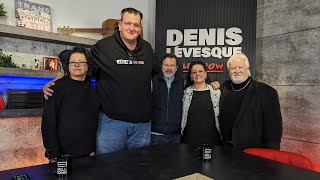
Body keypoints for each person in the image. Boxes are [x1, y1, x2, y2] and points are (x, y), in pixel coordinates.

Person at [41, 47, 100, 161]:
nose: (76, 65)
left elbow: (92, 120)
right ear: (67, 65)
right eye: (73, 62)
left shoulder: (91, 87)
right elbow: (48, 122)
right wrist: (52, 153)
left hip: (88, 152)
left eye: (81, 62)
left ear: (88, 66)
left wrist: (93, 148)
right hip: (63, 153)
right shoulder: (55, 88)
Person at [219, 53, 282, 150]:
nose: (237, 71)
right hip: (224, 149)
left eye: (240, 67)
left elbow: (273, 129)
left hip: (252, 152)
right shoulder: (224, 88)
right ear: (228, 71)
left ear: (247, 69)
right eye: (233, 68)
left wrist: (271, 156)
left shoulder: (266, 92)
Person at [181, 61, 222, 147]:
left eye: (200, 71)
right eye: (194, 72)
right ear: (191, 76)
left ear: (206, 74)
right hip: (189, 140)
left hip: (212, 140)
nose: (197, 74)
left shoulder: (216, 93)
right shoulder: (185, 93)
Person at [151, 53, 184, 145]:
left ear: (176, 67)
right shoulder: (152, 81)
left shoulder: (183, 83)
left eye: (172, 65)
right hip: (155, 133)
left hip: (176, 135)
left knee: (174, 159)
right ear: (161, 66)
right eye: (166, 65)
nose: (169, 68)